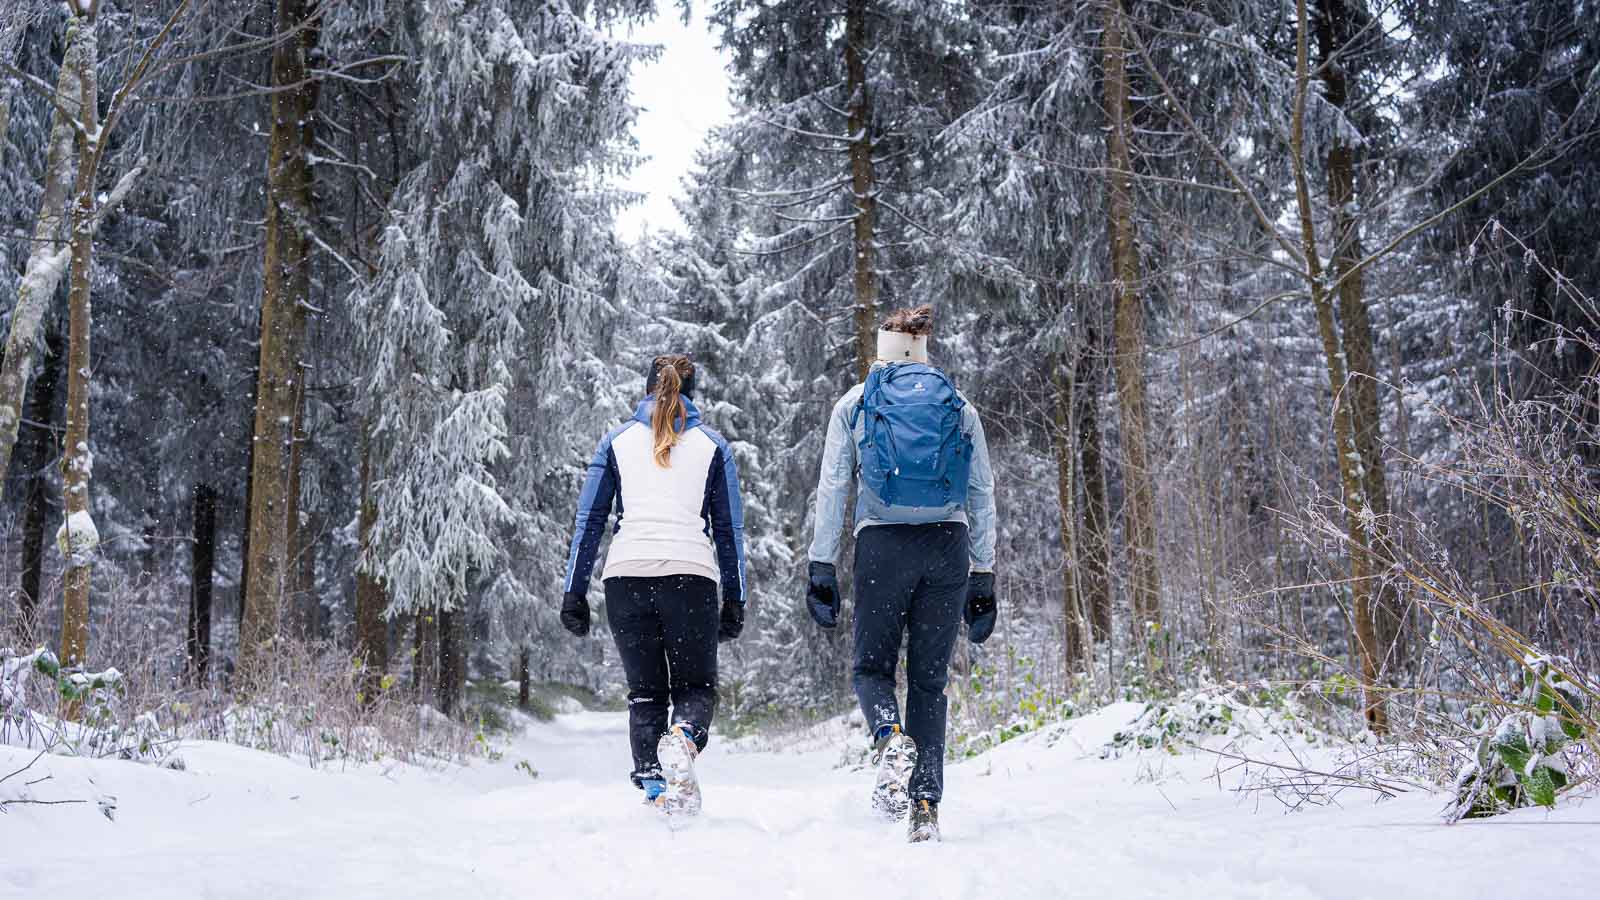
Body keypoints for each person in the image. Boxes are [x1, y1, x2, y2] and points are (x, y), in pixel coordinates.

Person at [805, 305, 998, 843]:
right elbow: (981, 492)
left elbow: (833, 487)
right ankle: (925, 806)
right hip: (947, 546)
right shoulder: (958, 405)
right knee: (929, 682)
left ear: (881, 349)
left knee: (872, 669)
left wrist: (822, 564)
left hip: (882, 546)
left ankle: (889, 736)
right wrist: (983, 572)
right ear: (923, 349)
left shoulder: (856, 403)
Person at [561, 354, 748, 816]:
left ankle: (654, 788)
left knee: (645, 691)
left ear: (647, 389)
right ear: (692, 393)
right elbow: (729, 531)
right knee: (695, 688)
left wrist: (574, 592)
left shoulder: (615, 441)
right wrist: (735, 597)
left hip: (626, 577)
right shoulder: (712, 446)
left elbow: (590, 522)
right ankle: (682, 737)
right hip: (690, 578)